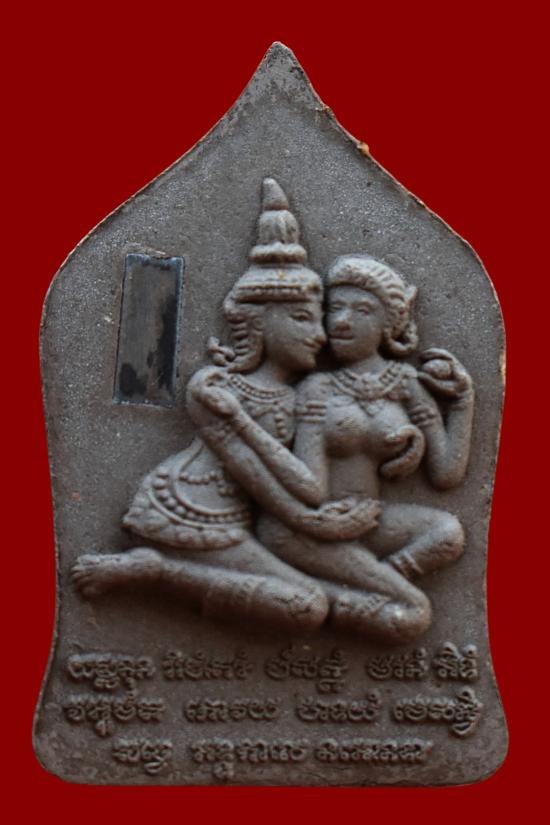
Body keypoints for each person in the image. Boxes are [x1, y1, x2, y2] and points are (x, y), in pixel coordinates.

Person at [72, 181, 377, 634]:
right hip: (182, 513)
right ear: (260, 321)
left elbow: (310, 487)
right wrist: (321, 525)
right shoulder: (215, 388)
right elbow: (265, 484)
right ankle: (153, 571)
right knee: (304, 607)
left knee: (312, 604)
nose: (320, 335)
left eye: (318, 320)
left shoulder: (298, 400)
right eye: (302, 318)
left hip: (239, 526)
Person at [256, 254, 474, 641]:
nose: (342, 321)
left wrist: (462, 404)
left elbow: (446, 475)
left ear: (389, 324)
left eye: (362, 311)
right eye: (335, 308)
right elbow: (309, 485)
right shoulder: (317, 387)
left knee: (448, 532)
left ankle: (367, 585)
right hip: (311, 526)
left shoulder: (406, 384)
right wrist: (327, 521)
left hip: (370, 520)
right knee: (410, 616)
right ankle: (373, 591)